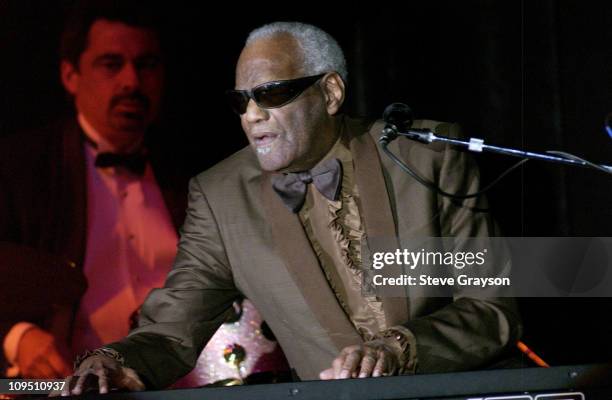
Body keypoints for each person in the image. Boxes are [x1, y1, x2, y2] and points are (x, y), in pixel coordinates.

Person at [63, 21, 522, 395]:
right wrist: (118, 363)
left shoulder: (424, 157)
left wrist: (400, 347)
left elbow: (490, 308)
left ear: (330, 93)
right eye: (240, 101)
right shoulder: (223, 196)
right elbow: (171, 328)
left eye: (272, 94)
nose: (251, 115)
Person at [0, 3, 286, 384]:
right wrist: (16, 337)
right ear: (70, 75)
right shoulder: (17, 168)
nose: (131, 82)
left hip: (189, 386)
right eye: (111, 64)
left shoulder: (198, 169)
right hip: (70, 388)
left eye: (146, 64)